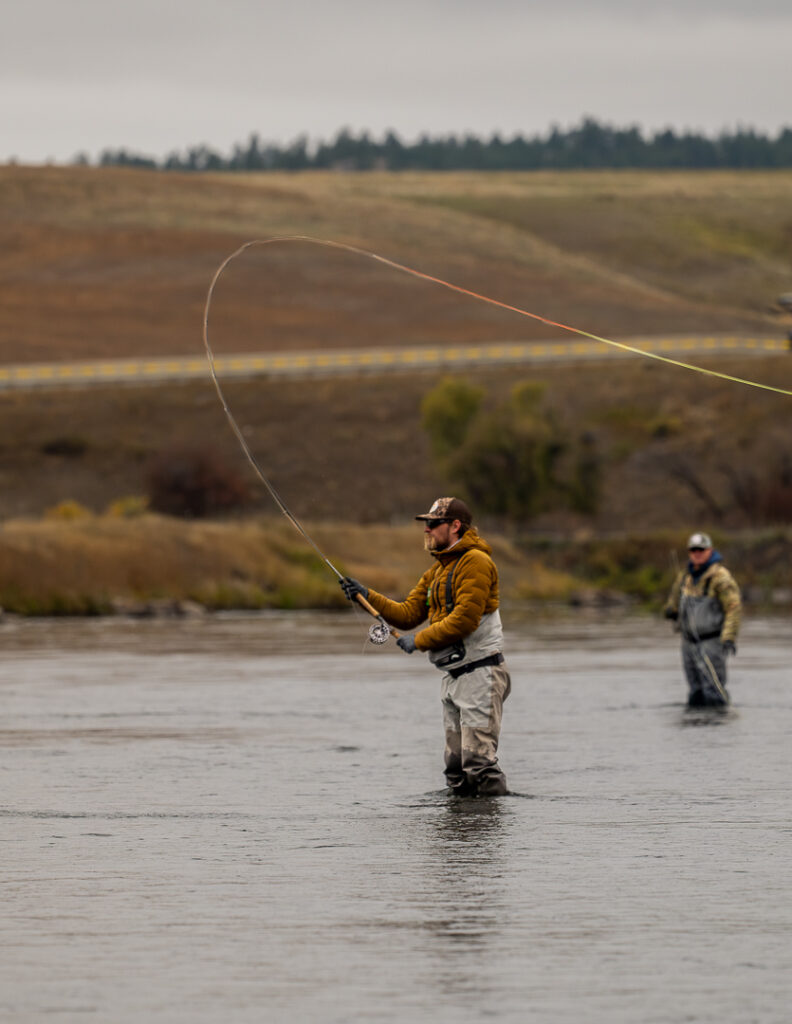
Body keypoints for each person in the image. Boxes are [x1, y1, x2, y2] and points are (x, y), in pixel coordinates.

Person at [340, 497, 511, 796]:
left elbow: (465, 620)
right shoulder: (436, 572)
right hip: (454, 676)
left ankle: (488, 839)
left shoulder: (476, 562)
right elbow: (407, 614)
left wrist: (418, 641)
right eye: (426, 525)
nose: (427, 530)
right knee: (455, 768)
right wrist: (364, 594)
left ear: (455, 526)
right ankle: (460, 835)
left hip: (481, 676)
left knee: (479, 764)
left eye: (433, 524)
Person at [664, 532, 742, 707]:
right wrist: (670, 610)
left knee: (713, 691)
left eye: (701, 549)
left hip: (711, 642)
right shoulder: (685, 577)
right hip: (688, 643)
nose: (697, 553)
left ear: (710, 550)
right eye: (693, 550)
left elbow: (733, 609)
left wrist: (729, 637)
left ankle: (719, 727)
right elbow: (673, 601)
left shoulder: (720, 577)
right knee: (695, 692)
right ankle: (696, 728)